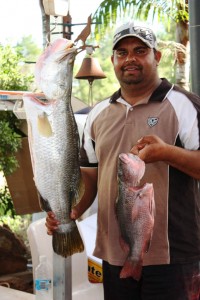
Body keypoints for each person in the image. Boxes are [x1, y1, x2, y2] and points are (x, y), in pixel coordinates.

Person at [45, 22, 200, 300]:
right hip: (115, 255)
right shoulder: (98, 114)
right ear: (113, 60)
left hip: (175, 256)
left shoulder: (184, 104)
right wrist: (72, 211)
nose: (130, 58)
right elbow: (91, 176)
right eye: (122, 52)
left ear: (157, 56)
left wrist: (166, 153)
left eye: (140, 50)